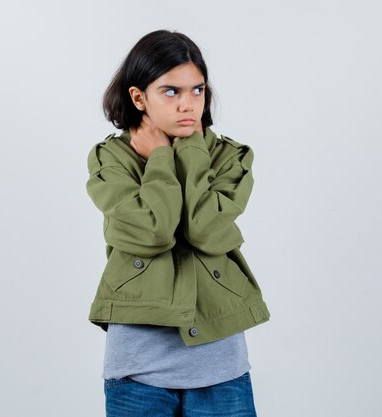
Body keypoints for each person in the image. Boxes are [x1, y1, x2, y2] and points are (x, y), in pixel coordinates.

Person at [85, 29, 270, 417]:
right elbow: (153, 231)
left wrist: (190, 150)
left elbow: (206, 230)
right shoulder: (110, 160)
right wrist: (160, 159)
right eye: (171, 91)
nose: (189, 104)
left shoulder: (231, 158)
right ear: (139, 98)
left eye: (197, 91)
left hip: (221, 368)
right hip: (138, 370)